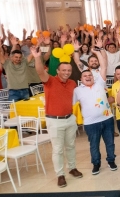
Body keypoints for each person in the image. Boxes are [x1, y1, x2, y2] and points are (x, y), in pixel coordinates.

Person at [30, 46, 83, 187]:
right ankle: (60, 174)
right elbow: (40, 71)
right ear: (57, 71)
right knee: (58, 149)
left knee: (71, 146)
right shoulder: (50, 81)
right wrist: (37, 57)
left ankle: (72, 168)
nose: (66, 72)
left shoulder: (72, 83)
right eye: (63, 70)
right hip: (54, 120)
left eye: (69, 70)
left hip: (70, 118)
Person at [74, 69, 116, 175]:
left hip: (107, 120)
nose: (88, 77)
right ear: (81, 79)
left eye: (90, 75)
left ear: (94, 77)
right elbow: (72, 104)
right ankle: (96, 164)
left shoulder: (100, 84)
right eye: (85, 76)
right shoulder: (77, 90)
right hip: (90, 123)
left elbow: (104, 67)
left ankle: (111, 161)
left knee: (110, 143)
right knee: (94, 145)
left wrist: (99, 52)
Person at [0, 35, 34, 102]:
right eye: (16, 57)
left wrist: (39, 43)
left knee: (26, 110)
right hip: (13, 91)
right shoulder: (7, 64)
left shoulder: (24, 62)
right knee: (14, 111)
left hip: (25, 90)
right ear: (11, 57)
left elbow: (33, 54)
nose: (18, 59)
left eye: (19, 57)